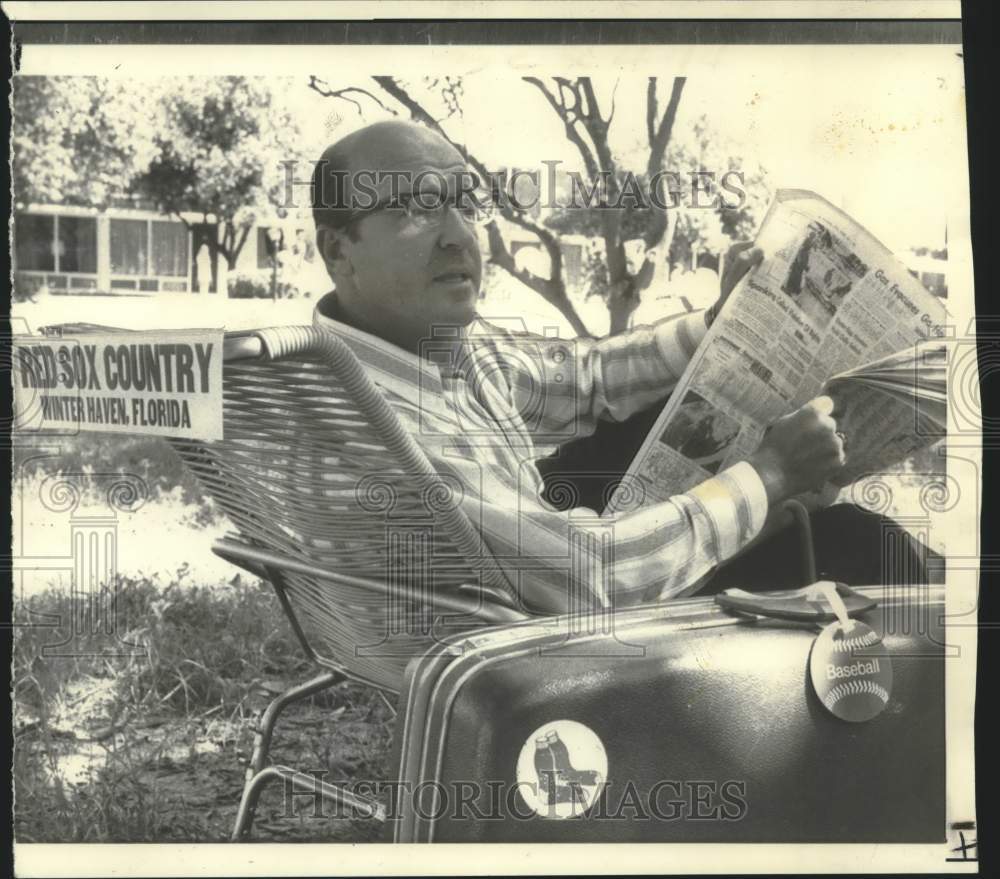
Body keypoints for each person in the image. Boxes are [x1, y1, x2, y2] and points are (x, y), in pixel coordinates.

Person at [309, 120, 934, 613]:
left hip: (543, 575)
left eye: (464, 204)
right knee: (862, 546)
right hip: (555, 650)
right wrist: (766, 477)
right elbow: (591, 578)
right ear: (340, 251)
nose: (460, 237)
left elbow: (588, 379)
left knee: (661, 413)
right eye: (416, 208)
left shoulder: (413, 351)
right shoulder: (383, 423)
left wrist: (720, 325)